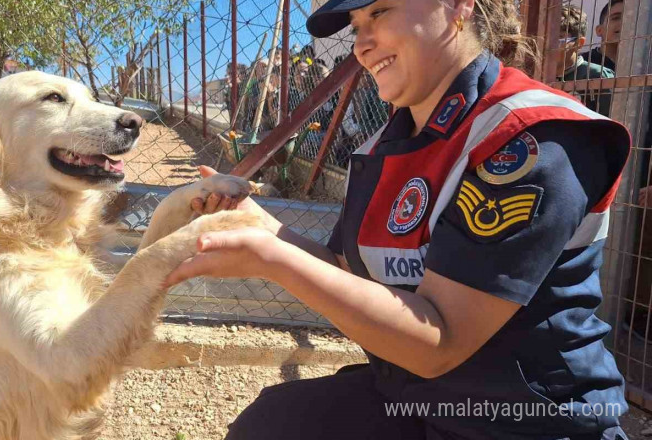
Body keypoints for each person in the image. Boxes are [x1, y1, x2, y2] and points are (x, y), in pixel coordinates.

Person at [169, 0, 632, 438]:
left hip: (525, 419)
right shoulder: (382, 147)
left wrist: (269, 258)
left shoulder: (531, 136)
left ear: (458, 6)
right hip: (417, 400)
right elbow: (350, 273)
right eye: (356, 25)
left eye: (380, 12)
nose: (361, 44)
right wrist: (261, 226)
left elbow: (439, 342)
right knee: (273, 424)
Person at [556, 6, 615, 116]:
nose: (549, 45)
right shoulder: (535, 75)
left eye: (559, 39)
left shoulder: (598, 75)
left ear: (579, 43)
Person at [580, 0, 622, 71]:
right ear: (599, 30)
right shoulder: (582, 63)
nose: (624, 22)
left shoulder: (644, 64)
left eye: (630, 18)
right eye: (616, 18)